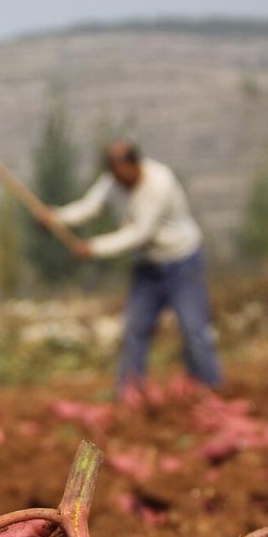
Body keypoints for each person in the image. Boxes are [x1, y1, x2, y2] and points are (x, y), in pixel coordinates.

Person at [50, 140, 221, 392]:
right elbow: (90, 207)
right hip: (147, 267)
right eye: (112, 174)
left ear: (134, 164)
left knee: (193, 331)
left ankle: (209, 388)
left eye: (120, 174)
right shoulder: (112, 181)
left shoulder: (159, 183)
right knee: (134, 330)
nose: (117, 181)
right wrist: (56, 217)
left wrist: (93, 248)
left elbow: (138, 233)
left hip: (182, 263)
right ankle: (129, 394)